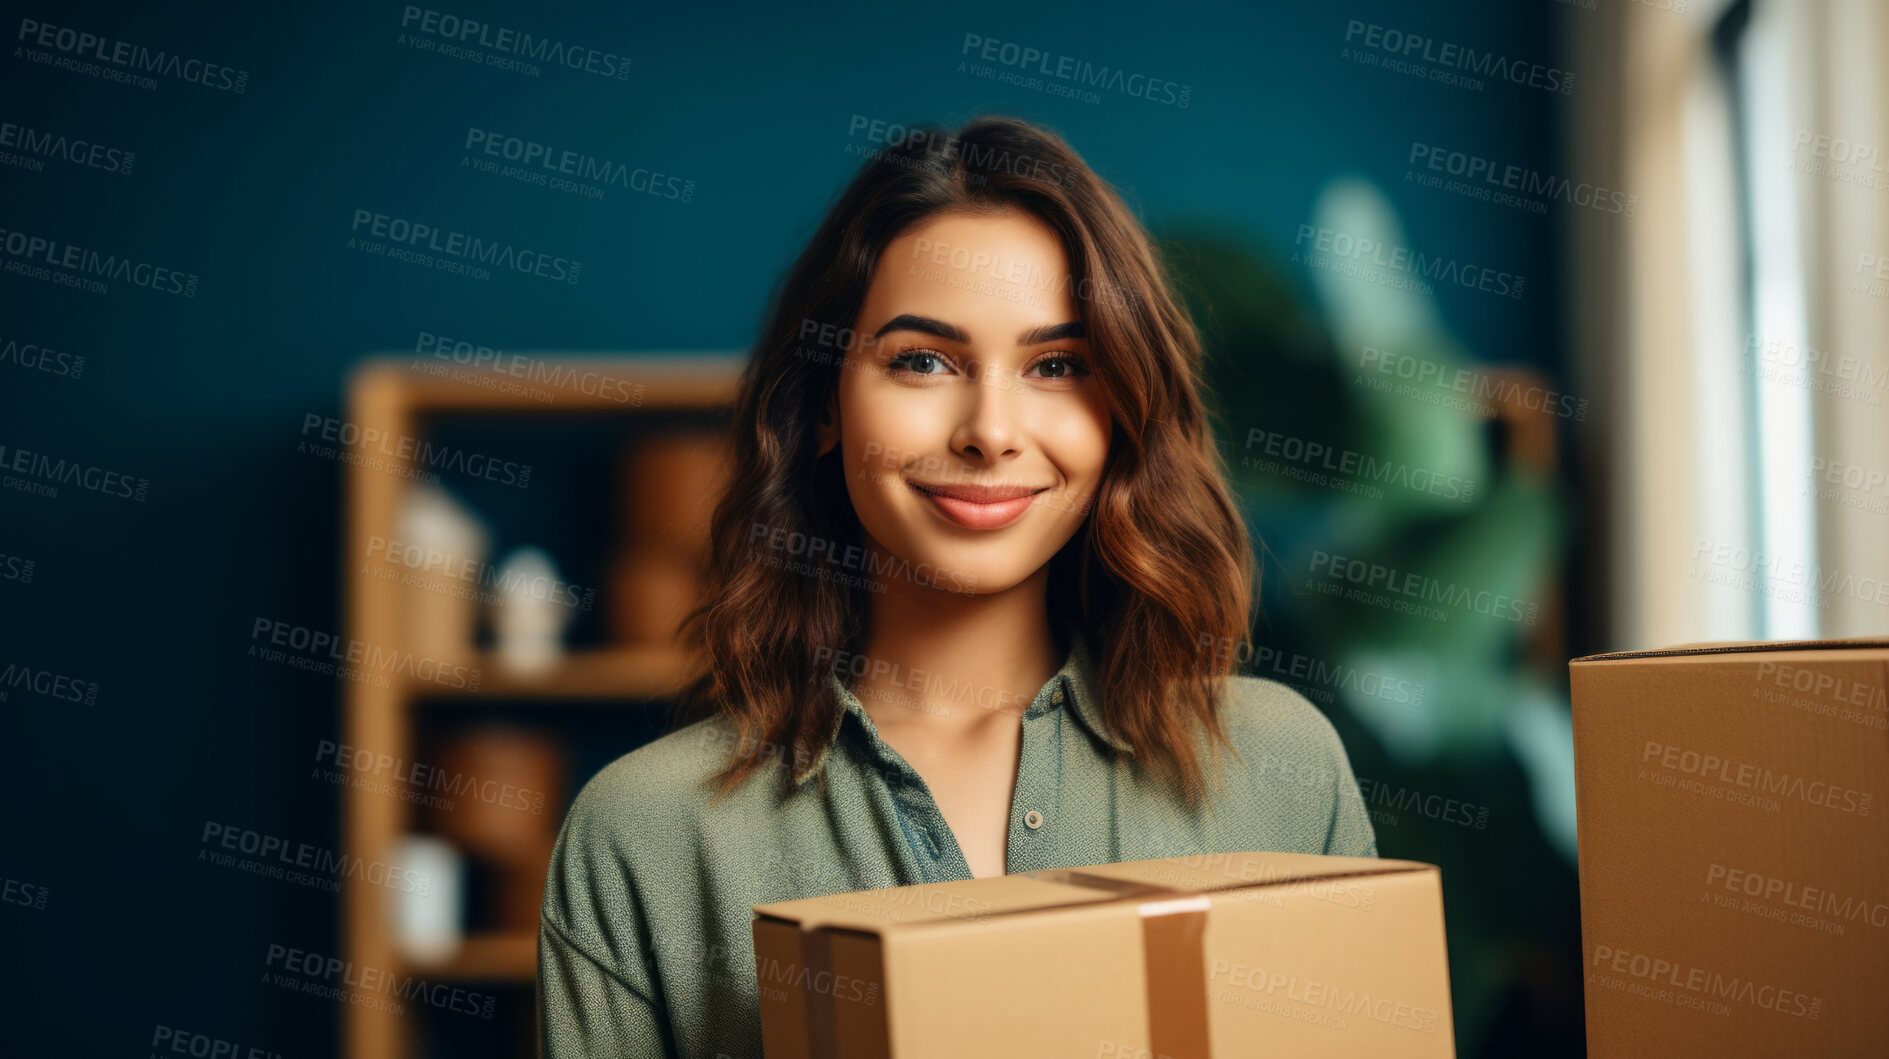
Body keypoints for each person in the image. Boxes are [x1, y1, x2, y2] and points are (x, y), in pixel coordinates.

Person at [537, 115, 1376, 1059]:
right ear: (823, 407)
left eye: (1057, 365)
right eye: (923, 361)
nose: (990, 429)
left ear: (1122, 415)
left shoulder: (1277, 770)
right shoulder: (644, 832)